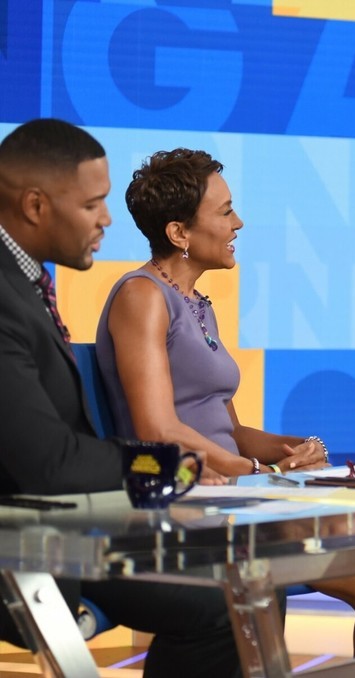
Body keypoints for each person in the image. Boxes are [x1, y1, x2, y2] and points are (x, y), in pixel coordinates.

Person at [96, 148, 355, 656]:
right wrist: (258, 472)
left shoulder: (197, 304)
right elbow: (158, 430)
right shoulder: (142, 297)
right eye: (225, 211)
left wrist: (296, 449)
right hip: (194, 502)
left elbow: (231, 430)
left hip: (240, 493)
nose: (238, 222)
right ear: (179, 233)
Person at [0, 119, 243, 676]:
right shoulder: (7, 296)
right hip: (29, 543)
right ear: (35, 206)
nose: (107, 219)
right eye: (92, 205)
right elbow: (50, 461)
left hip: (62, 527)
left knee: (242, 590)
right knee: (227, 601)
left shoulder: (23, 283)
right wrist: (170, 466)